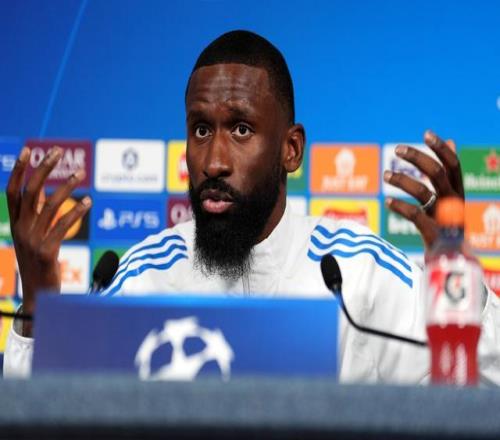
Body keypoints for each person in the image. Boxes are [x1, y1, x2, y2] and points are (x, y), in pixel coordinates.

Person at [4, 30, 500, 383]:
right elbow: (55, 417)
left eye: (241, 129)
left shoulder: (360, 272)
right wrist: (39, 310)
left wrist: (460, 289)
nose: (214, 161)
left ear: (291, 149)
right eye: (201, 130)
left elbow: (482, 388)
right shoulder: (139, 278)